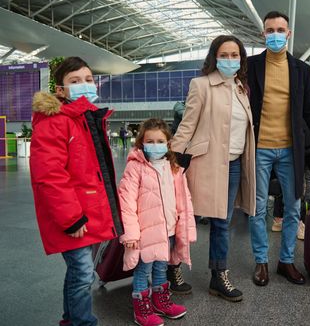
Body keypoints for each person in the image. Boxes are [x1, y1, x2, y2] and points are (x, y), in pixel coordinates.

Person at [247, 11, 310, 287]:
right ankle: (261, 261)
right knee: (257, 208)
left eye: (280, 29)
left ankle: (286, 261)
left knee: (293, 206)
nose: (275, 34)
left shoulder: (300, 69)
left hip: (290, 149)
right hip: (259, 147)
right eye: (269, 30)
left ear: (288, 33)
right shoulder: (251, 66)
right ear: (263, 33)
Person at [29, 56, 123, 326]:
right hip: (73, 216)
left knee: (79, 272)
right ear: (60, 90)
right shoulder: (55, 121)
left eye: (89, 79)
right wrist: (71, 218)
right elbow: (49, 175)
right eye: (75, 81)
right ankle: (83, 322)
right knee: (82, 272)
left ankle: (70, 319)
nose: (84, 85)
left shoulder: (84, 118)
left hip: (86, 213)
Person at [171, 35, 256, 302]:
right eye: (224, 54)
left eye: (235, 55)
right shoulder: (201, 85)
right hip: (204, 163)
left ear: (241, 59)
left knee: (222, 222)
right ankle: (171, 267)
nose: (229, 60)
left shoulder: (242, 88)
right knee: (188, 219)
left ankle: (218, 276)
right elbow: (187, 124)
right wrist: (173, 158)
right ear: (214, 57)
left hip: (232, 165)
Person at [119, 118, 196, 326]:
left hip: (169, 230)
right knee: (143, 270)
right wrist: (131, 234)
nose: (155, 145)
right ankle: (141, 309)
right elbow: (126, 203)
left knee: (162, 268)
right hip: (145, 233)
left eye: (159, 140)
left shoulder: (174, 168)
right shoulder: (135, 168)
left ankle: (160, 302)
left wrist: (187, 230)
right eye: (149, 141)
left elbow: (184, 201)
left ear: (168, 143)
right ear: (141, 143)